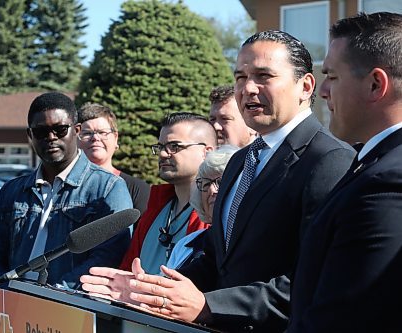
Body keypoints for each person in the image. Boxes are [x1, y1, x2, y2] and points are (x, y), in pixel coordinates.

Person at [80, 30, 356, 332]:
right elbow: (218, 257)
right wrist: (156, 291)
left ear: (305, 86)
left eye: (264, 75)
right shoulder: (240, 160)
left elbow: (314, 280)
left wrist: (209, 307)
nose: (247, 88)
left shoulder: (329, 160)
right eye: (240, 77)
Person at [288, 12, 402, 333]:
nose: (322, 91)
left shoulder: (388, 183)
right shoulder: (374, 165)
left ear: (375, 84)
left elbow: (345, 318)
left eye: (332, 76)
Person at [0, 92, 133, 291]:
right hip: (12, 310)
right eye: (41, 131)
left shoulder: (108, 188)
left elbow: (109, 256)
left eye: (60, 129)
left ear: (76, 130)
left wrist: (53, 295)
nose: (51, 137)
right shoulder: (11, 191)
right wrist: (5, 291)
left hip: (72, 311)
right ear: (30, 135)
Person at [119, 112, 217, 275]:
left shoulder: (215, 212)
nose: (163, 154)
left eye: (175, 146)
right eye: (161, 147)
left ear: (206, 152)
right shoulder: (155, 207)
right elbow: (127, 269)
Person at [166, 145, 237, 270]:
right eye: (206, 183)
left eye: (220, 182)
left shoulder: (247, 240)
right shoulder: (185, 244)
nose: (211, 190)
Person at [77, 103, 150, 215]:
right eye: (87, 133)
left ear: (115, 138)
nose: (95, 138)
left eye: (102, 132)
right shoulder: (62, 188)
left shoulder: (137, 189)